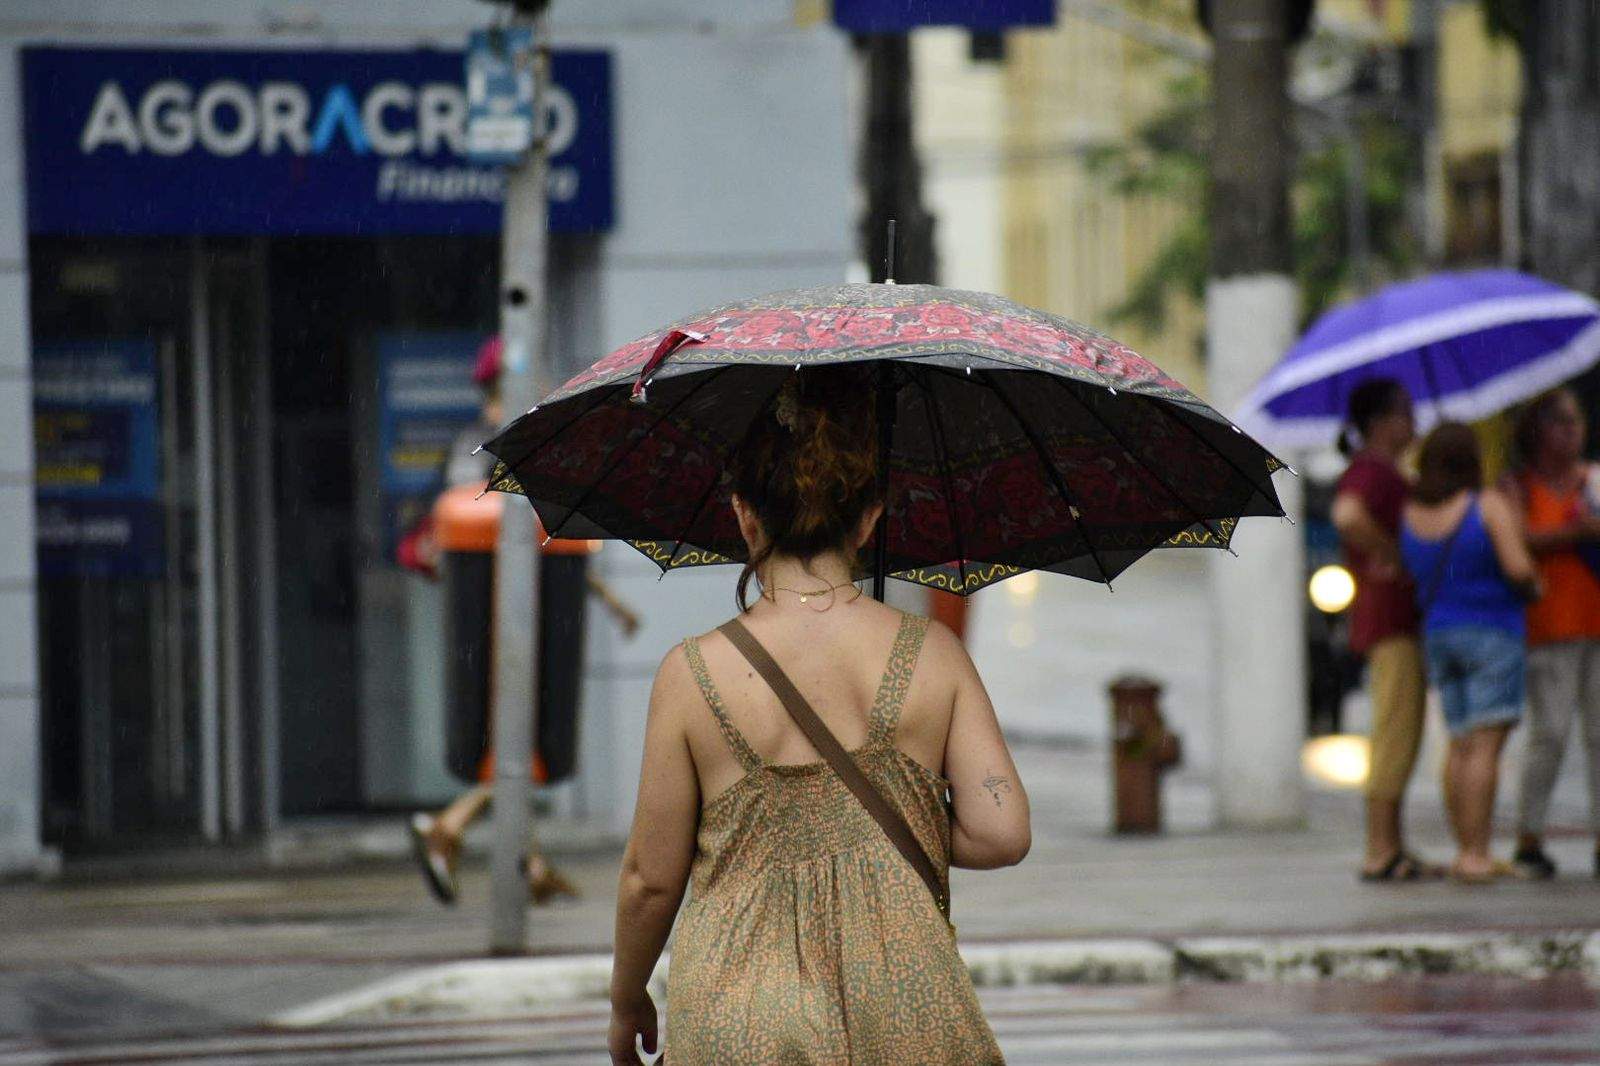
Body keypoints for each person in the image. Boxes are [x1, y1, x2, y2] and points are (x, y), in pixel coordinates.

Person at [607, 367, 1029, 1065]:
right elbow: (1003, 833)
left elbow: (650, 877)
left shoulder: (691, 676)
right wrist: (871, 826)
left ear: (743, 515)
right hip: (904, 1005)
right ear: (869, 517)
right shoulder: (934, 655)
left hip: (738, 1009)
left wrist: (627, 1000)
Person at [405, 336, 640, 906]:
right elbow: (489, 533)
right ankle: (451, 828)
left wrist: (607, 599)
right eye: (525, 388)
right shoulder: (480, 451)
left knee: (522, 739)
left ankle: (527, 862)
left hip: (528, 610)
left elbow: (544, 541)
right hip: (495, 620)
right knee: (517, 741)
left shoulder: (517, 448)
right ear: (497, 393)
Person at [1399, 423, 1541, 883]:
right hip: (1492, 632)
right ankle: (1478, 853)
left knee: (1459, 744)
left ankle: (1464, 848)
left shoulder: (1412, 515)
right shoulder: (1487, 506)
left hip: (1438, 634)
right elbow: (1518, 567)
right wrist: (1535, 582)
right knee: (1485, 747)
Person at [1331, 379, 1437, 881]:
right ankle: (1379, 847)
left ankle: (1392, 844)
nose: (1413, 422)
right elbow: (1348, 514)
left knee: (1403, 728)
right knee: (1394, 731)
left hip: (1398, 613)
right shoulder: (1372, 470)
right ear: (1381, 422)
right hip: (1388, 615)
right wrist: (1387, 553)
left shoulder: (1388, 470)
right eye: (1406, 412)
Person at [1505, 388, 1600, 880]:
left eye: (1576, 422)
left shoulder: (1593, 480)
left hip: (1595, 619)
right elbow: (1517, 538)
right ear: (1537, 430)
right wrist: (1577, 534)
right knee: (1552, 734)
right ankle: (1529, 835)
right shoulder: (1517, 486)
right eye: (1561, 422)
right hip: (1549, 624)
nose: (1571, 431)